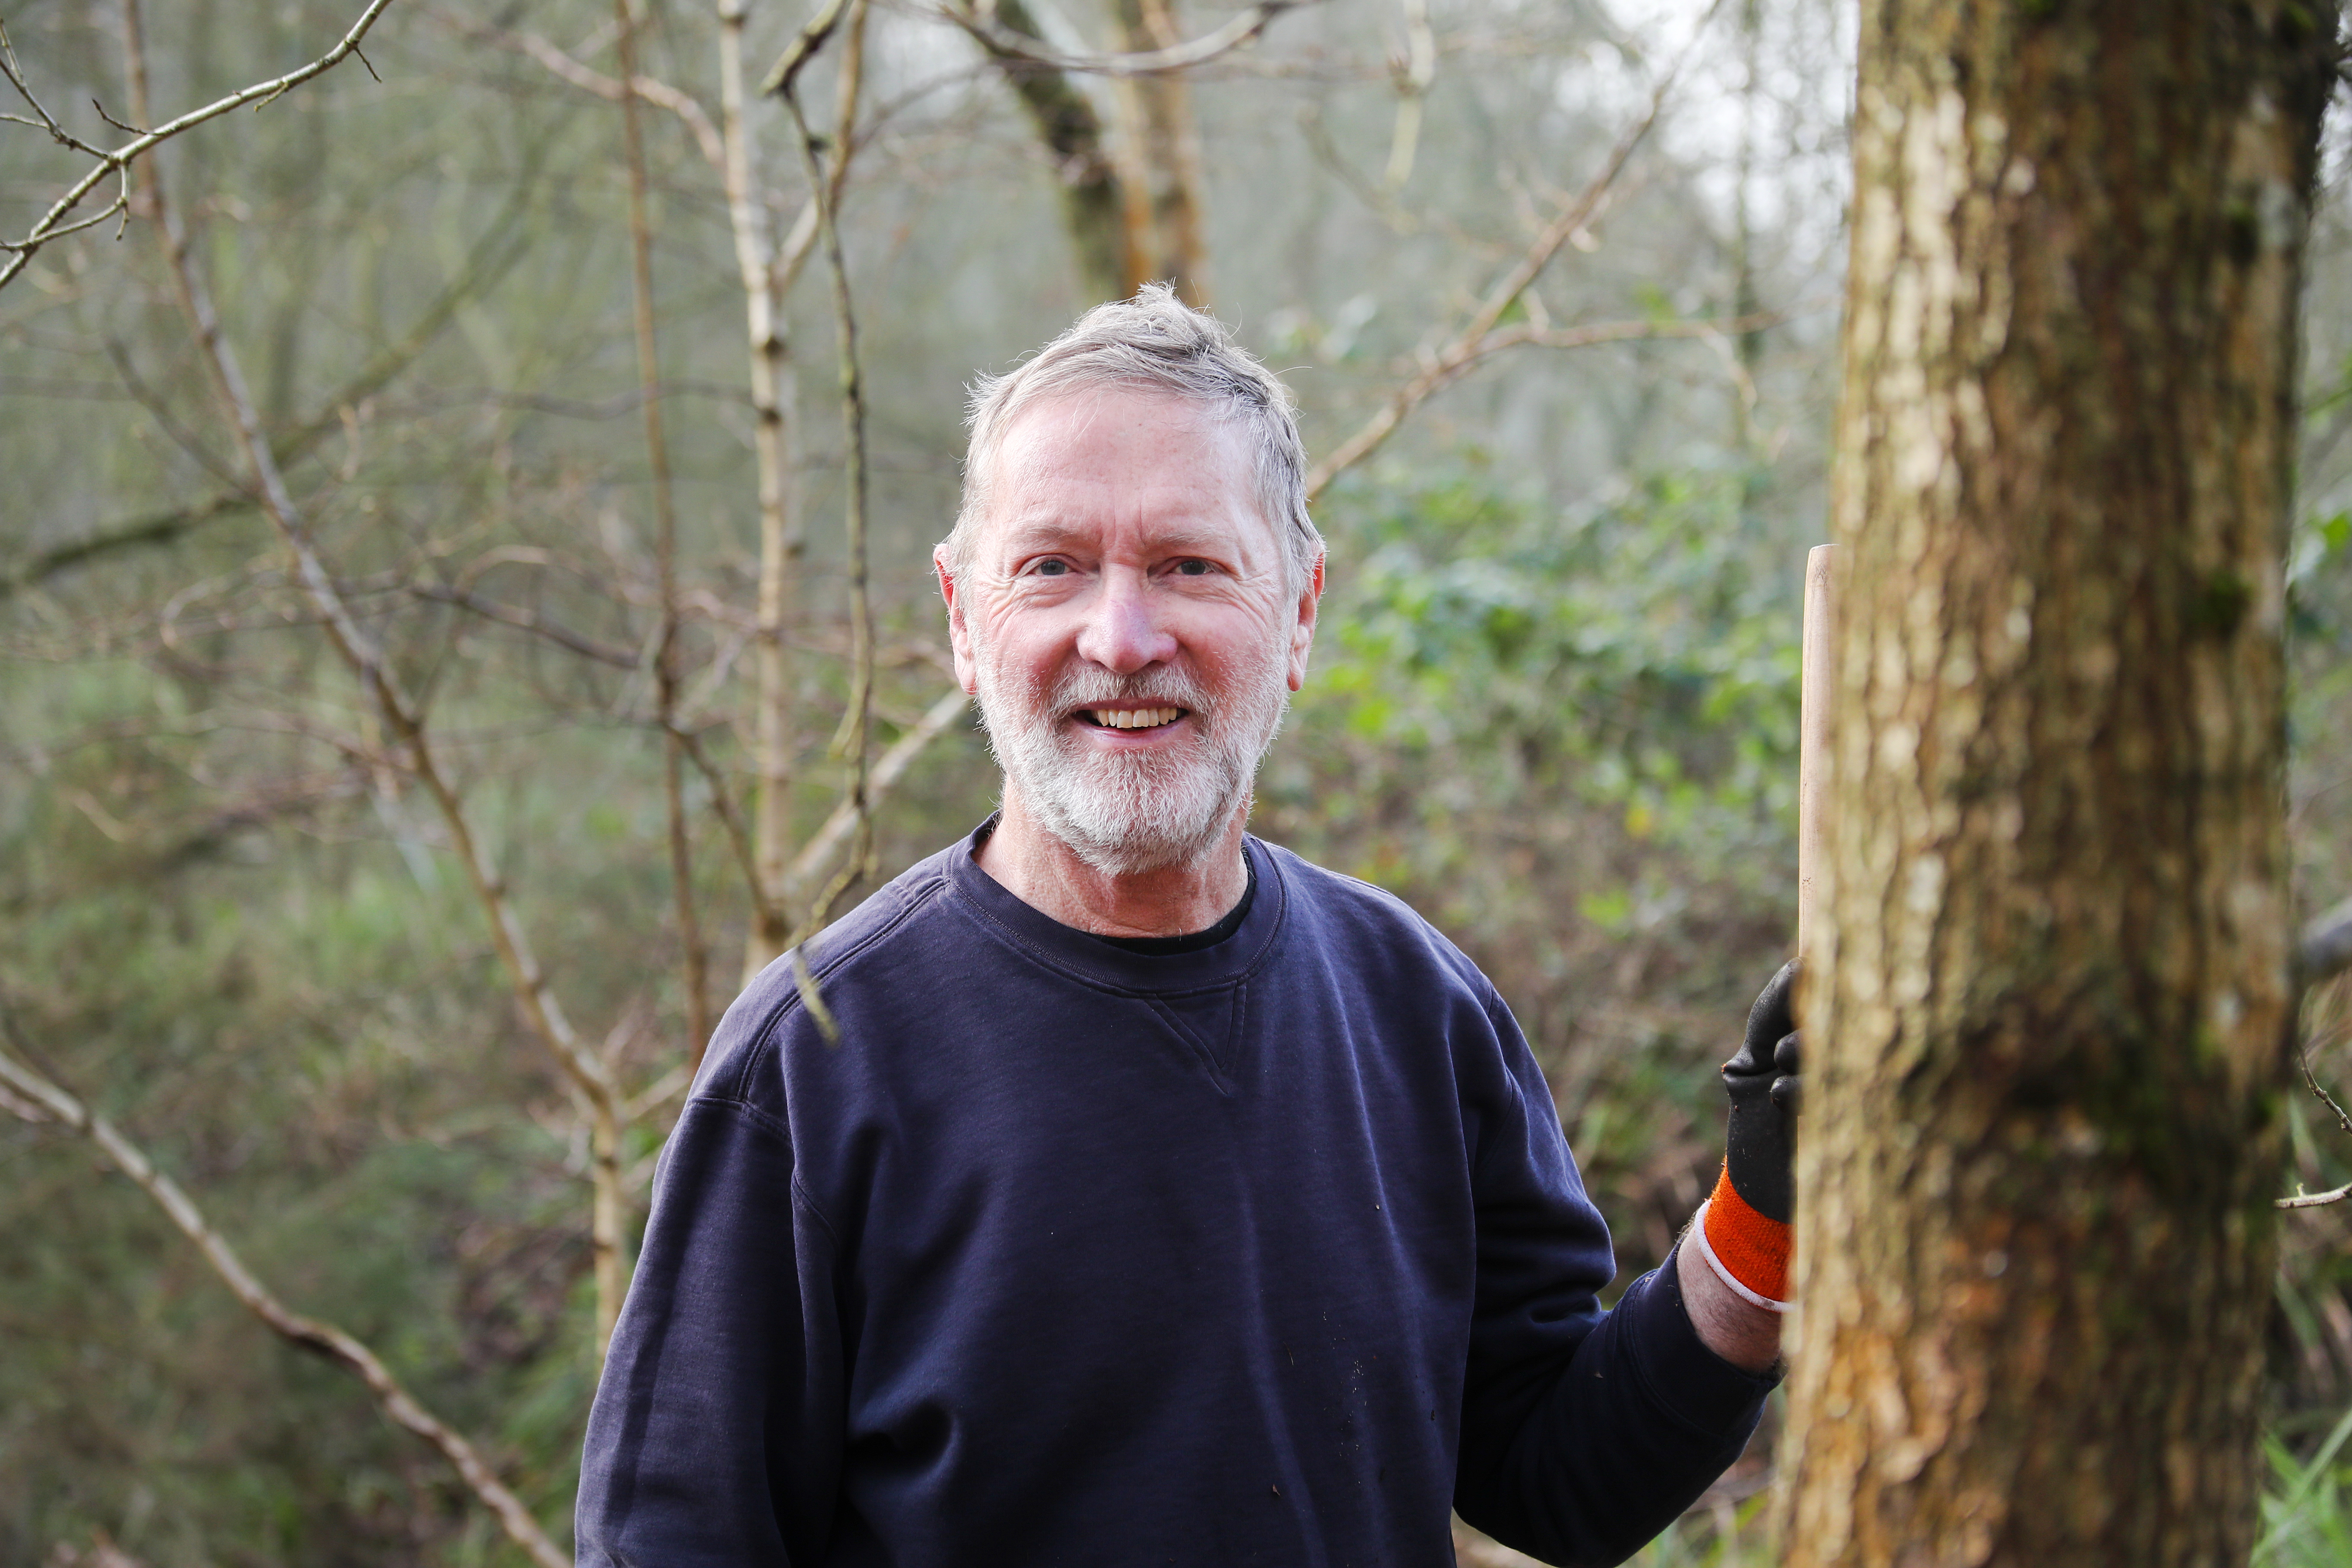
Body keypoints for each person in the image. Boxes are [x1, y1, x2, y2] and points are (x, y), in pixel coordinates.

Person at [575, 287, 1803, 1568]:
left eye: (1189, 566)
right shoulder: (815, 1056)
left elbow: (1561, 1478)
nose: (1122, 637)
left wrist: (1762, 1220)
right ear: (959, 615)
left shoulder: (1415, 1008)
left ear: (1301, 612)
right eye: (1052, 566)